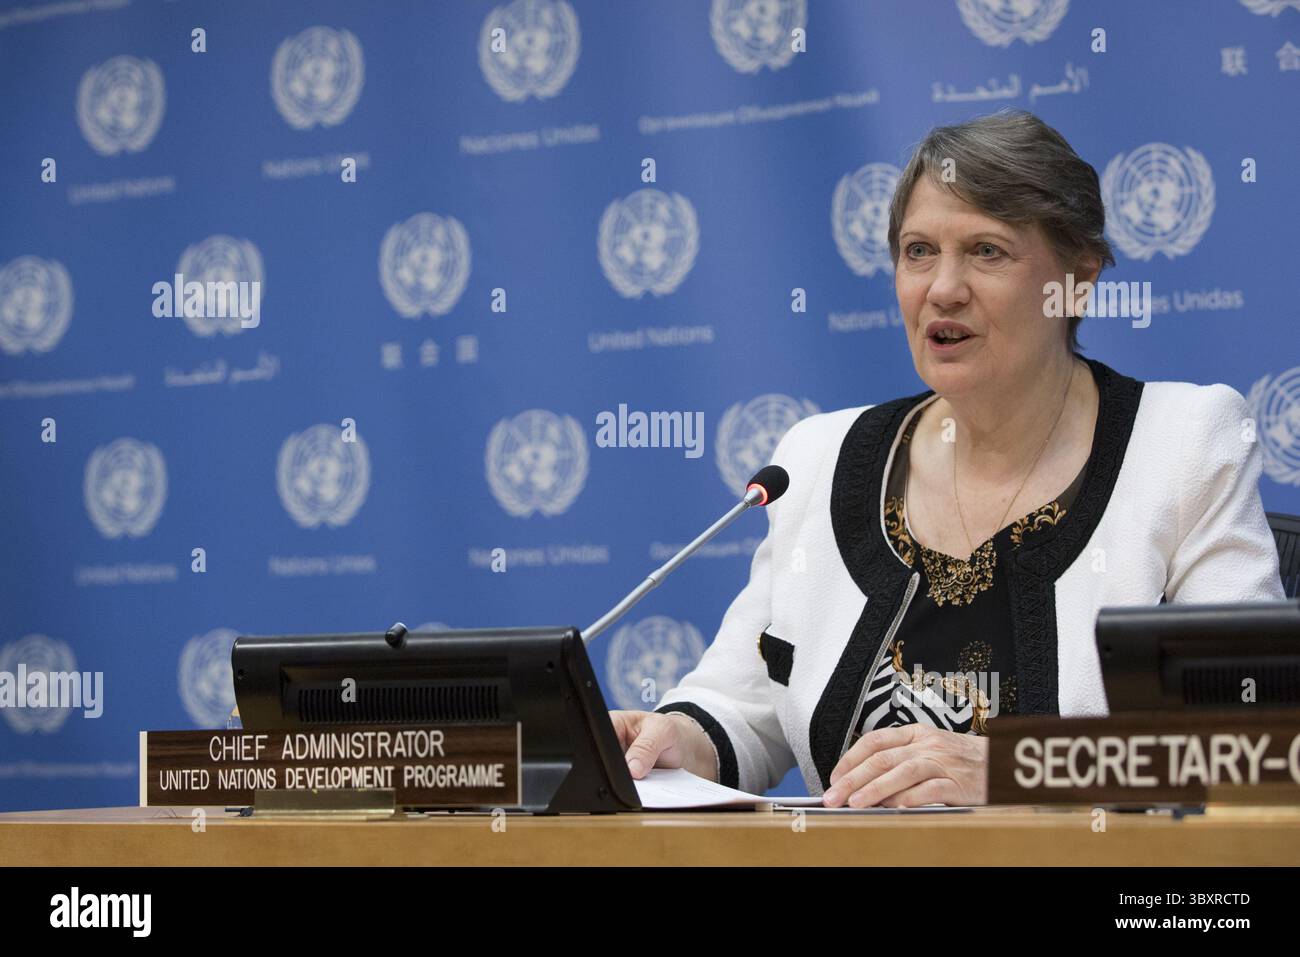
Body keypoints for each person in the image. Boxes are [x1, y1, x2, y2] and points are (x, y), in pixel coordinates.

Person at [609, 109, 1286, 808]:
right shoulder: (820, 460)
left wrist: (1013, 771)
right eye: (918, 250)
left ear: (1077, 281)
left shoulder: (1182, 443)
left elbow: (1256, 738)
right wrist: (669, 738)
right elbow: (741, 705)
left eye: (987, 250)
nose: (942, 287)